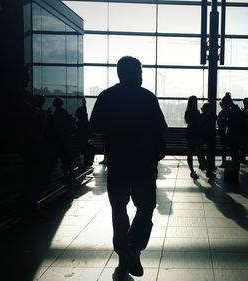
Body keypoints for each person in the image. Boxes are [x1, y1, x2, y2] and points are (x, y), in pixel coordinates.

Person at [90, 56, 167, 277]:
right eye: (140, 72)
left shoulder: (107, 97)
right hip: (143, 162)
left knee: (119, 208)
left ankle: (124, 250)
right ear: (135, 74)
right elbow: (162, 128)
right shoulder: (147, 98)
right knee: (145, 207)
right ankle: (134, 247)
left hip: (118, 162)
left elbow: (94, 126)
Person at [51, 96, 76, 182]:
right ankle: (69, 175)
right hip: (64, 138)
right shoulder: (63, 112)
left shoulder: (56, 113)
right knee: (67, 158)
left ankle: (66, 175)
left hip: (60, 138)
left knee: (64, 158)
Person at [185, 95, 206, 179]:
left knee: (190, 154)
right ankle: (206, 168)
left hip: (190, 133)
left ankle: (192, 171)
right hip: (197, 133)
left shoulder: (187, 112)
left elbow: (188, 122)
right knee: (201, 152)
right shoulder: (196, 112)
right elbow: (199, 123)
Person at [75, 97, 94, 168]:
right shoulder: (86, 119)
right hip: (85, 133)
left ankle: (83, 162)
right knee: (85, 147)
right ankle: (86, 162)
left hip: (81, 133)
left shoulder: (79, 122)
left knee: (82, 147)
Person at [200, 102, 217, 178]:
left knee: (203, 153)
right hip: (208, 137)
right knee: (209, 153)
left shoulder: (201, 116)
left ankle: (204, 166)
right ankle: (208, 168)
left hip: (203, 137)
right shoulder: (209, 117)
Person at [217, 99, 229, 167]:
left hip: (223, 132)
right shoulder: (230, 112)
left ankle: (224, 162)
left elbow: (218, 123)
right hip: (229, 132)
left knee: (224, 148)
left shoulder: (221, 113)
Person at [241, 97, 248, 164]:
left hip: (243, 130)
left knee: (243, 145)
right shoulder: (245, 112)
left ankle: (242, 158)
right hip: (245, 130)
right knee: (244, 145)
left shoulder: (243, 111)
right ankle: (242, 158)